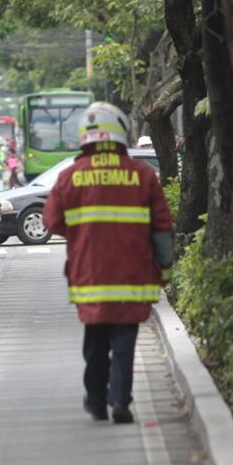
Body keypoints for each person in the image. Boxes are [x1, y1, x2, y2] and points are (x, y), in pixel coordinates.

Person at [43, 102, 174, 424]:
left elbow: (50, 221)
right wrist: (166, 263)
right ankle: (121, 402)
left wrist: (81, 234)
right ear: (119, 131)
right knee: (125, 340)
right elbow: (161, 227)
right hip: (133, 275)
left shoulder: (70, 176)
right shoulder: (142, 174)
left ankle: (97, 400)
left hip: (89, 275)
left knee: (96, 342)